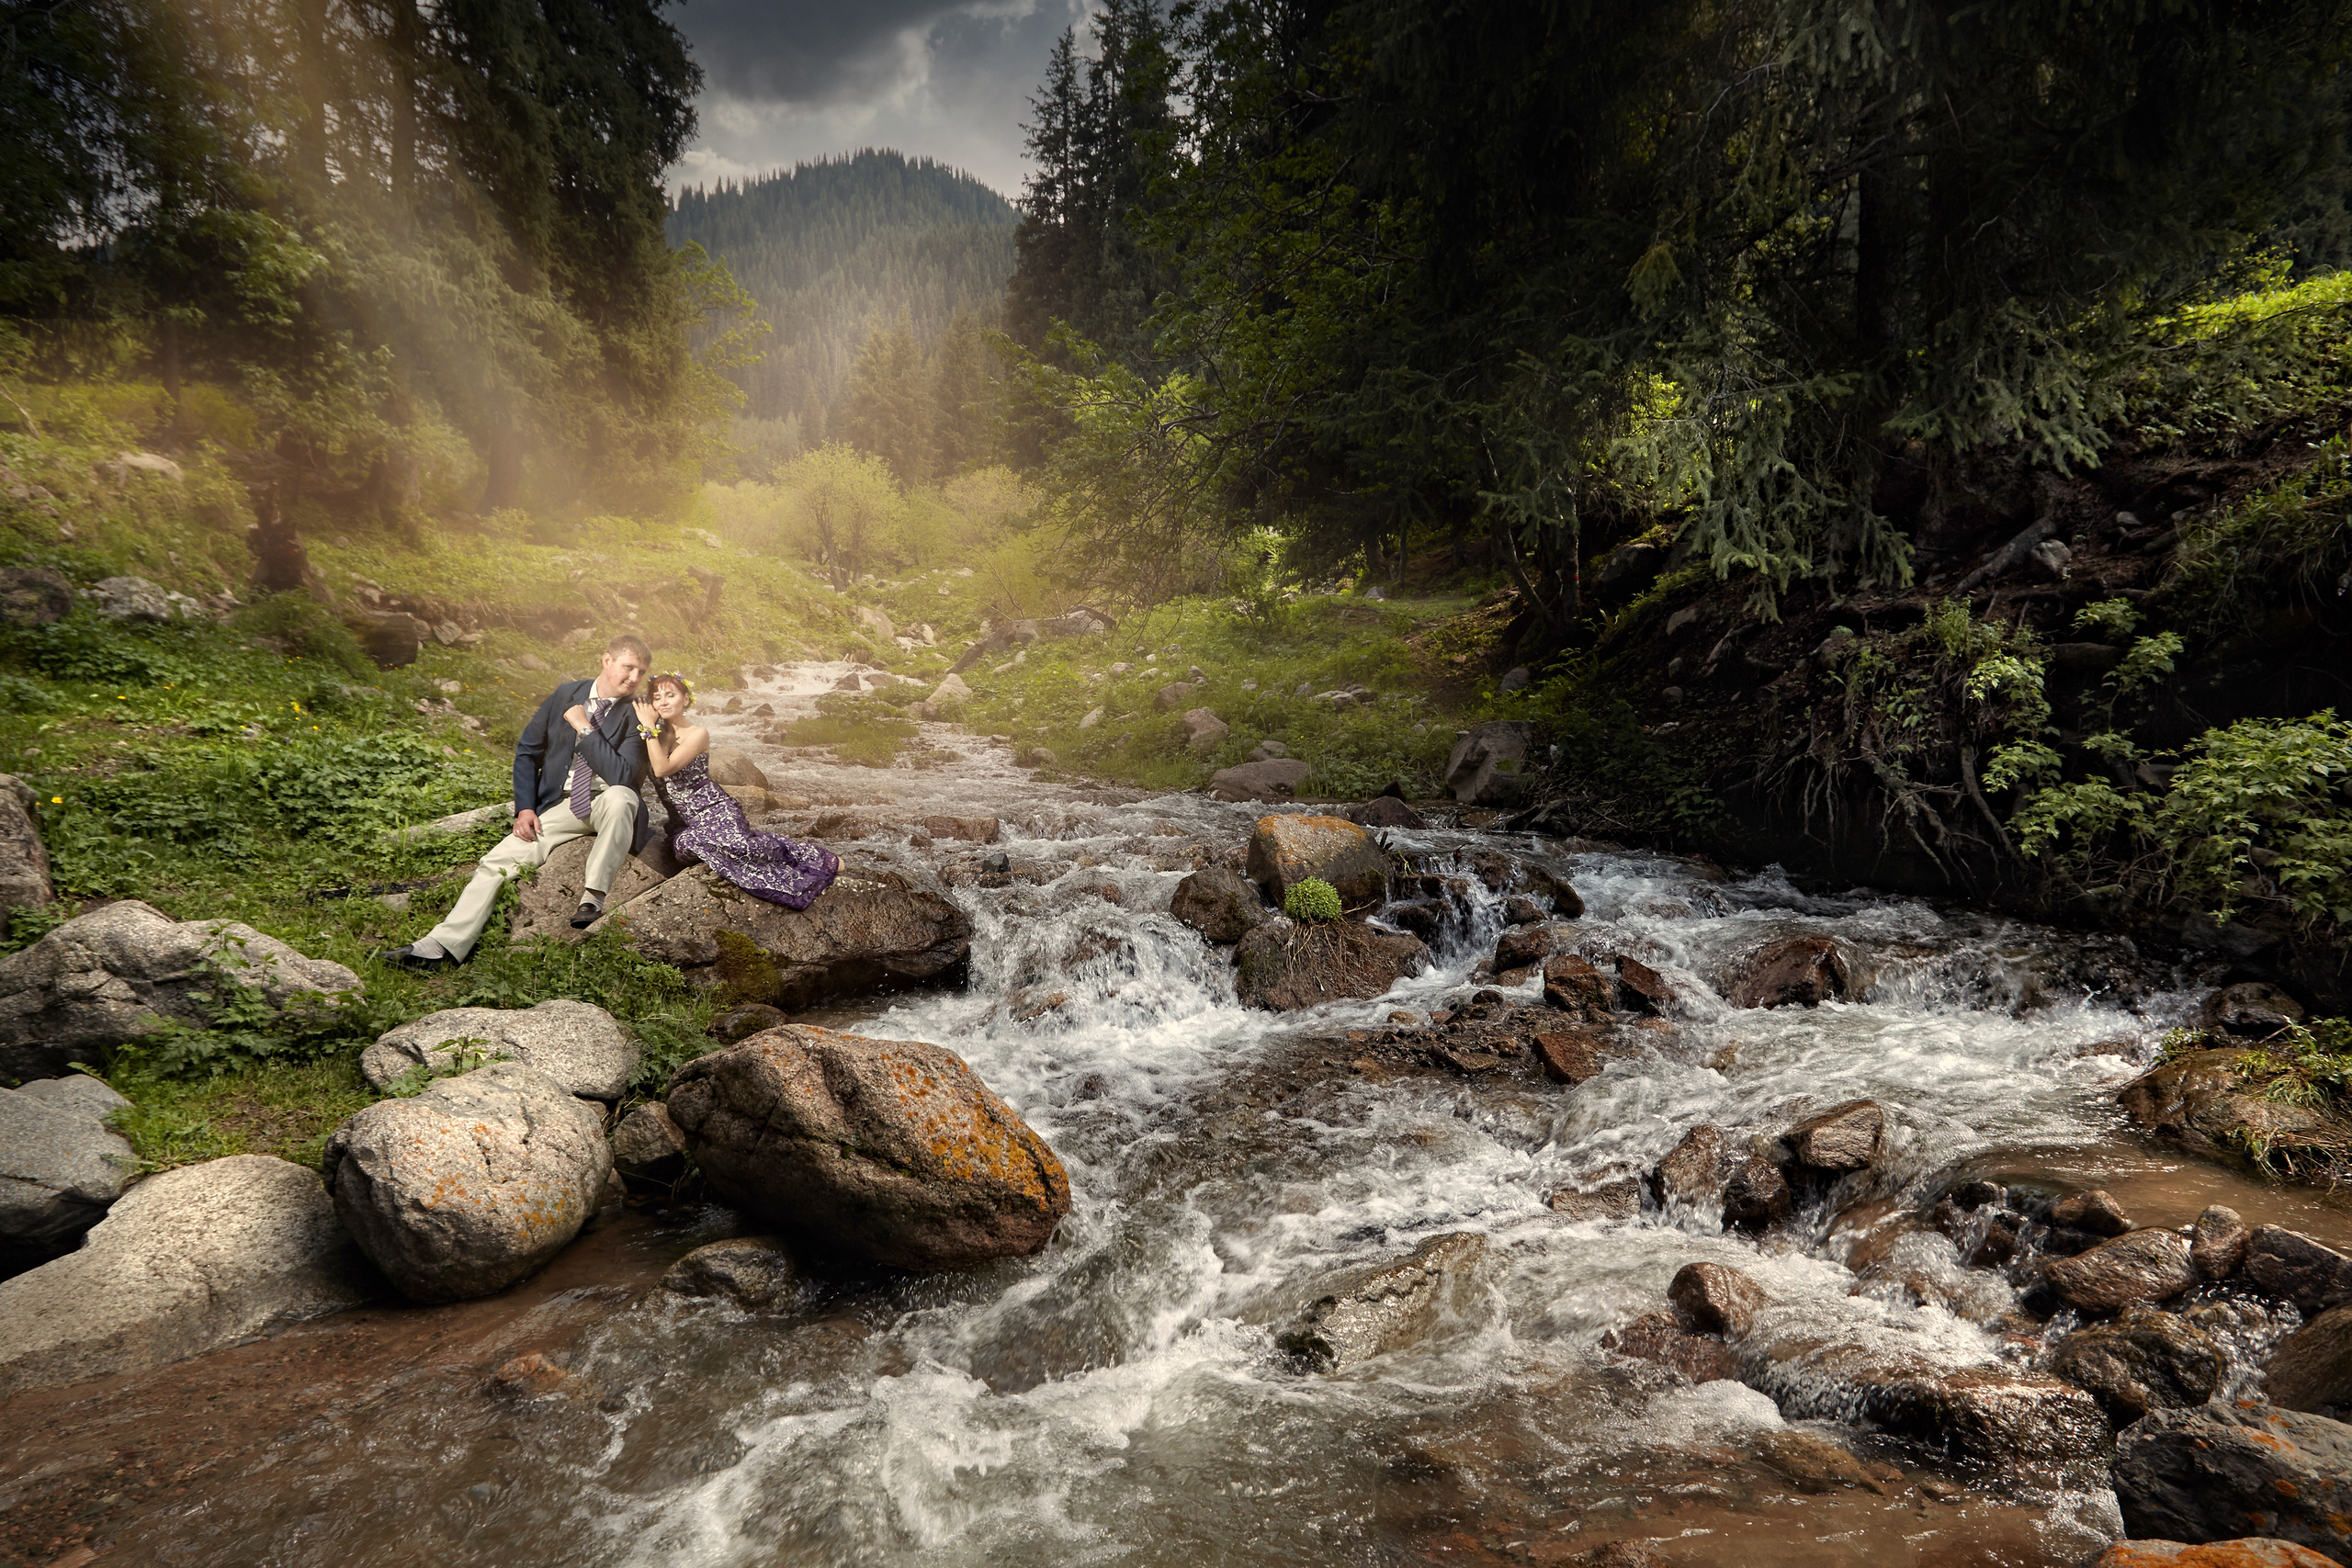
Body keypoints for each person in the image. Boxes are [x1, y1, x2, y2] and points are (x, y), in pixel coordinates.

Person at [381, 635, 656, 971]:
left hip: (607, 804)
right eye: (628, 667)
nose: (633, 678)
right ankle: (439, 947)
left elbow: (623, 776)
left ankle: (593, 898)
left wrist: (584, 729)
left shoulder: (638, 714)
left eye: (641, 672)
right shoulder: (564, 695)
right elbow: (527, 751)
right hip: (561, 805)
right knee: (495, 862)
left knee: (620, 796)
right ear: (607, 660)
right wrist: (525, 808)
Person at [634, 672, 841, 909]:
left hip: (716, 811)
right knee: (687, 844)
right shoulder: (657, 738)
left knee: (741, 847)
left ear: (686, 699)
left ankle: (815, 857)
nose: (663, 702)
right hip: (684, 823)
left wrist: (648, 726)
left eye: (670, 695)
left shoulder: (697, 734)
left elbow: (662, 768)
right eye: (657, 698)